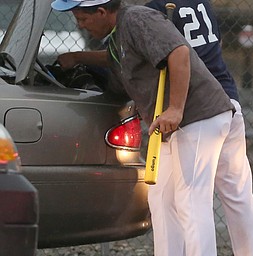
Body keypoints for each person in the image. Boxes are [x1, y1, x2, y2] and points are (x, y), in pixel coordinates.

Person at [51, 0, 235, 255]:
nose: (79, 25)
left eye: (82, 19)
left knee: (190, 200)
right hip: (174, 125)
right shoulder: (119, 34)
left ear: (102, 12)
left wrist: (175, 108)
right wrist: (76, 58)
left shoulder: (137, 19)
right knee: (160, 198)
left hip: (198, 115)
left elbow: (179, 52)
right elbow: (115, 59)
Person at [145, 0, 253, 255]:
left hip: (200, 106)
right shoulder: (200, 1)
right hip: (228, 98)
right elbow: (217, 44)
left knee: (191, 198)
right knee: (237, 194)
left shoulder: (157, 7)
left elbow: (166, 57)